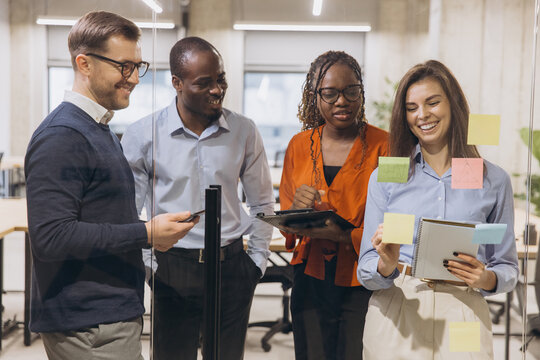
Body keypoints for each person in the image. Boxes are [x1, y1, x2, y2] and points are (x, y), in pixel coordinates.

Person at [24, 11, 198, 360]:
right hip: (90, 327)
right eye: (124, 66)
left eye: (138, 66)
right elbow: (51, 237)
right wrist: (145, 233)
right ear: (84, 64)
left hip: (106, 318)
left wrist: (149, 235)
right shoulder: (62, 135)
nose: (134, 78)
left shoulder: (97, 128)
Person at [121, 36, 275, 360]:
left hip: (232, 267)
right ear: (177, 83)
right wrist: (150, 268)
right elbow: (131, 214)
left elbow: (262, 203)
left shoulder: (244, 131)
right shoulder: (143, 135)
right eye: (204, 83)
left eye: (221, 80)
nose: (217, 90)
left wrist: (256, 264)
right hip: (172, 267)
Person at [357, 60, 519, 359]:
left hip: (464, 307)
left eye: (433, 102)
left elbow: (507, 265)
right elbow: (366, 268)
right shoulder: (387, 176)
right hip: (399, 305)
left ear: (453, 105)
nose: (423, 115)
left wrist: (486, 279)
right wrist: (386, 264)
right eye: (411, 107)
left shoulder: (492, 180)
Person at [279, 51, 389, 360]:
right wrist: (296, 210)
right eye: (329, 93)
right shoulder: (299, 146)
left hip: (363, 278)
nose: (341, 101)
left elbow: (397, 216)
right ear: (314, 96)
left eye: (350, 91)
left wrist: (344, 235)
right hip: (310, 278)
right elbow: (288, 220)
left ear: (361, 93)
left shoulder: (386, 146)